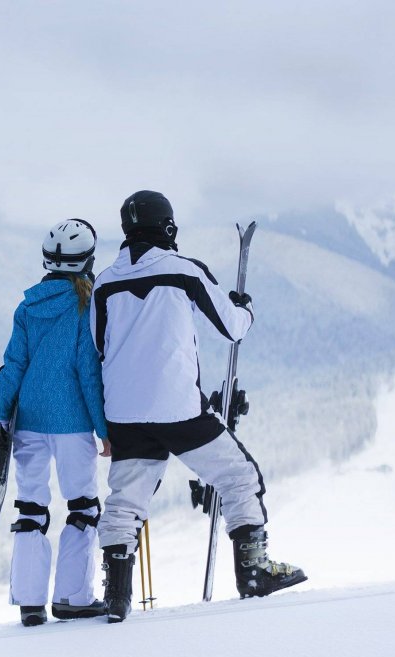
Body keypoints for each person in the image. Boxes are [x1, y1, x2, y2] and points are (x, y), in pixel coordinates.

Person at [91, 190, 306, 623]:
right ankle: (253, 572)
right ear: (167, 227)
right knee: (239, 476)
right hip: (178, 408)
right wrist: (245, 307)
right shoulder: (183, 270)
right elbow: (232, 328)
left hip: (123, 411)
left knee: (125, 500)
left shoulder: (104, 282)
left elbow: (98, 347)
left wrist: (105, 423)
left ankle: (116, 596)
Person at [0, 218, 111, 627]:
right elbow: (87, 371)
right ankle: (72, 598)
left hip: (27, 422)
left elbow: (14, 366)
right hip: (73, 422)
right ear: (87, 261)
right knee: (82, 506)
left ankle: (29, 601)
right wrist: (105, 430)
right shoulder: (85, 306)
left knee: (31, 508)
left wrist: (0, 418)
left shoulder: (27, 306)